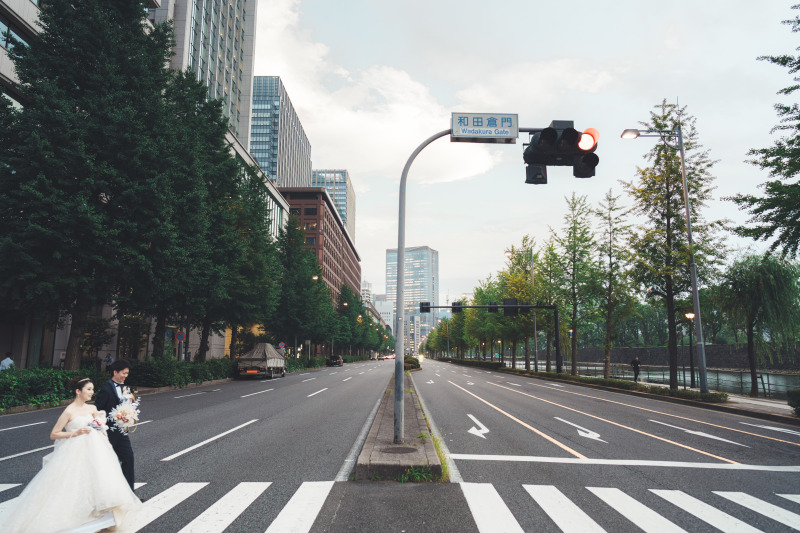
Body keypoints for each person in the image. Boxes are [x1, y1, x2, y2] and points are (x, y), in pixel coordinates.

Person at [0, 376, 141, 532]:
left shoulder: (92, 409)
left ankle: (101, 518)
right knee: (74, 484)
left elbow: (101, 429)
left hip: (97, 452)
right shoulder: (69, 411)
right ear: (77, 391)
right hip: (75, 453)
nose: (92, 392)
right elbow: (54, 434)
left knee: (98, 483)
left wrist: (108, 444)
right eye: (88, 389)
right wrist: (76, 432)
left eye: (93, 389)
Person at [94, 359, 136, 490]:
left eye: (127, 373)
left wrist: (129, 416)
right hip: (108, 433)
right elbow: (97, 410)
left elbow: (129, 406)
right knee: (105, 463)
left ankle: (130, 495)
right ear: (115, 372)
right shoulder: (106, 390)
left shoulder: (126, 388)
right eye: (123, 373)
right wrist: (111, 418)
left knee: (128, 459)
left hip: (122, 432)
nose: (125, 376)